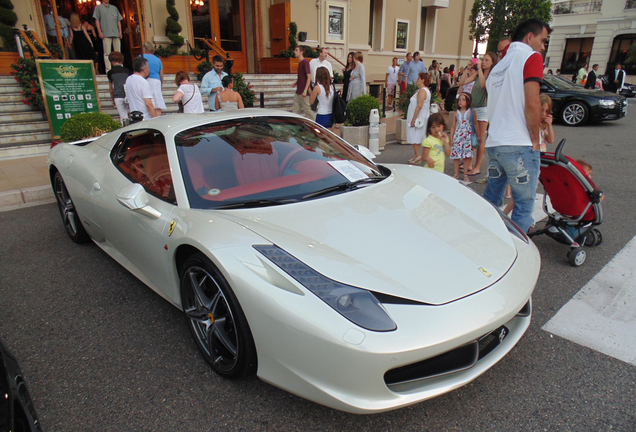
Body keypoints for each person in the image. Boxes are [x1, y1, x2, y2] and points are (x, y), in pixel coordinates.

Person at [483, 18, 552, 233]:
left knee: (490, 202)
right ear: (530, 37)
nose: (543, 46)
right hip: (518, 142)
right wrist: (534, 139)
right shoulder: (531, 57)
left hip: (495, 142)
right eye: (543, 40)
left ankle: (486, 241)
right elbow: (532, 102)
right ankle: (518, 255)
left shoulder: (498, 67)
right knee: (523, 206)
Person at [457, 52, 498, 176]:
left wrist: (479, 69)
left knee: (480, 139)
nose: (483, 62)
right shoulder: (477, 74)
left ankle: (477, 166)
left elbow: (483, 85)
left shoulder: (491, 76)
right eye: (483, 59)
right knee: (471, 137)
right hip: (473, 108)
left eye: (486, 60)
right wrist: (468, 68)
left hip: (482, 109)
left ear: (492, 62)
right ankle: (469, 163)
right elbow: (462, 82)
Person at [405, 72, 431, 164]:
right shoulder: (421, 90)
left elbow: (419, 106)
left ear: (423, 80)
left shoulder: (422, 91)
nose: (416, 81)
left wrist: (413, 119)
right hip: (419, 117)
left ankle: (418, 155)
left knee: (415, 136)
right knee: (415, 135)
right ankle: (416, 154)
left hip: (419, 118)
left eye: (418, 79)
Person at [450, 93, 476, 182]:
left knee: (466, 156)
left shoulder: (471, 112)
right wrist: (451, 138)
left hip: (467, 135)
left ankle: (465, 173)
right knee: (456, 155)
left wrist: (478, 135)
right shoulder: (455, 113)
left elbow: (475, 123)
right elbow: (453, 126)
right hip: (458, 134)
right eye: (460, 100)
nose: (461, 102)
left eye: (463, 100)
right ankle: (456, 173)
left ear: (468, 102)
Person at [93, 0, 123, 72]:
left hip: (115, 33)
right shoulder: (98, 8)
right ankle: (108, 70)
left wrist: (120, 32)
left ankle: (119, 69)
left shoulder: (114, 8)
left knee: (118, 52)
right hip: (106, 33)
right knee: (107, 53)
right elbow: (96, 20)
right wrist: (99, 32)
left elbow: (118, 20)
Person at [125, 56, 158, 121]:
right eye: (148, 68)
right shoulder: (143, 82)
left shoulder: (128, 79)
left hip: (134, 116)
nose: (149, 70)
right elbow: (148, 103)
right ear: (144, 69)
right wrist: (155, 118)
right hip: (145, 118)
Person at [141, 42, 166, 116]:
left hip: (145, 79)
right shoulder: (157, 59)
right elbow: (161, 74)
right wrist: (161, 83)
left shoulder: (141, 57)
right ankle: (158, 119)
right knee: (157, 103)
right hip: (156, 81)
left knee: (147, 100)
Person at [107, 51, 130, 125]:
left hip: (117, 96)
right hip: (127, 95)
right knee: (130, 114)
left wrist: (113, 99)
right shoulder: (127, 71)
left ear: (111, 62)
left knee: (123, 117)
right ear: (121, 61)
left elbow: (111, 88)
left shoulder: (110, 72)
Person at [291, 45, 313, 120]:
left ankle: (318, 125)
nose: (295, 52)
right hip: (298, 92)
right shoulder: (300, 63)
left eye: (296, 50)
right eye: (295, 50)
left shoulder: (305, 62)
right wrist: (296, 83)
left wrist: (305, 90)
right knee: (295, 111)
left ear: (301, 52)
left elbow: (309, 77)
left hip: (303, 93)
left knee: (308, 111)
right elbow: (302, 76)